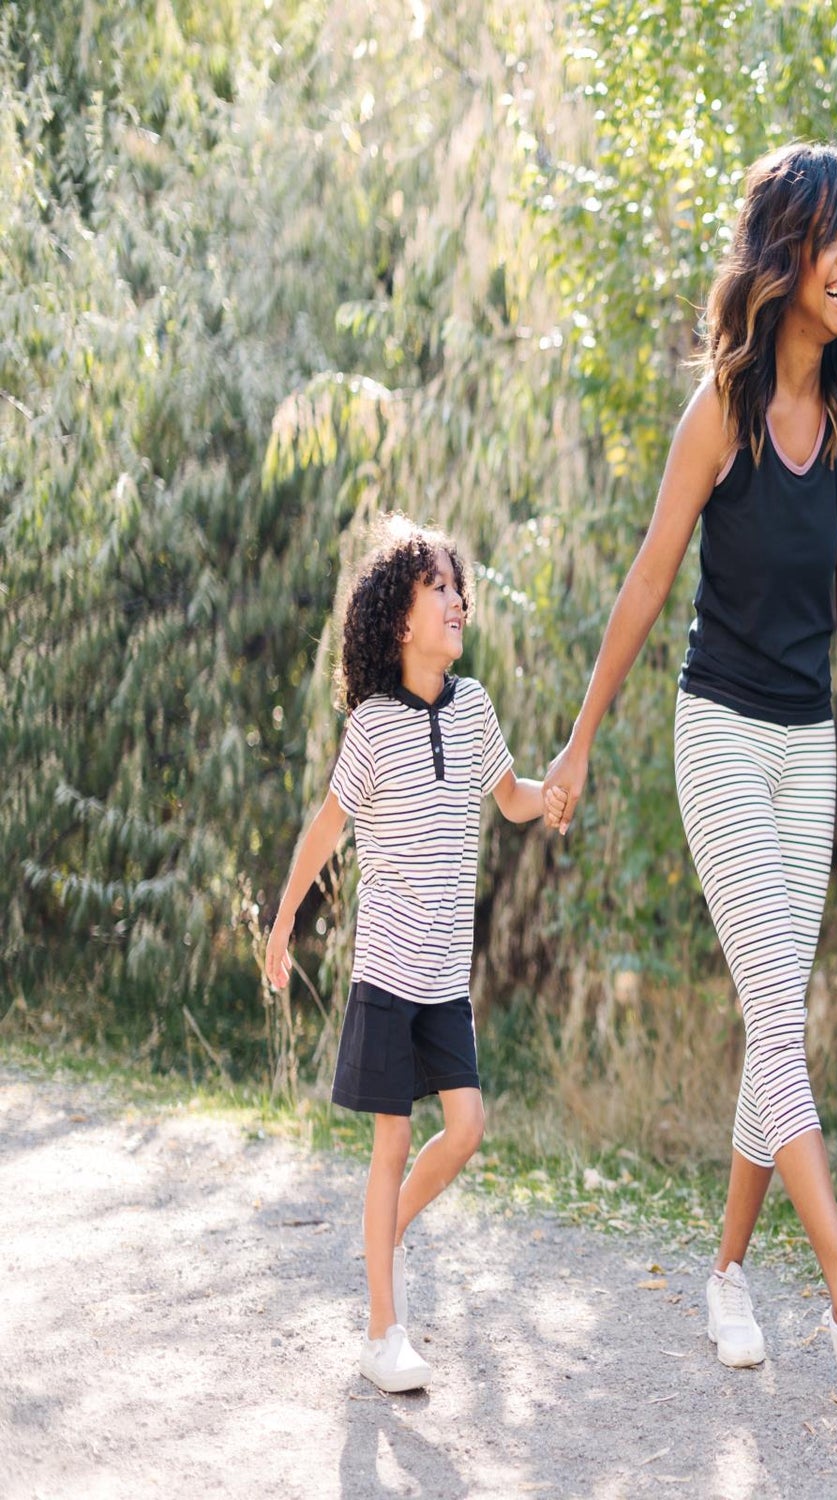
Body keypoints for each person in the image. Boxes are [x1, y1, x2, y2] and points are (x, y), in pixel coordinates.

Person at [543, 142, 837, 1382]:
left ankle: (724, 1276)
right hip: (715, 729)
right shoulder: (720, 411)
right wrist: (584, 733)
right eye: (831, 236)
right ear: (784, 252)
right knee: (779, 1009)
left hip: (808, 747)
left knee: (777, 1020)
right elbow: (650, 582)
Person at [264, 517, 563, 1393]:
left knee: (466, 1128)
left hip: (447, 980)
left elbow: (509, 797)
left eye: (458, 587)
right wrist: (283, 922)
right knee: (392, 1139)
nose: (458, 599)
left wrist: (553, 796)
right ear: (400, 617)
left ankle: (381, 1237)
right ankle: (383, 1327)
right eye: (439, 588)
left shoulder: (472, 708)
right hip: (389, 973)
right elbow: (326, 828)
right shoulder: (374, 727)